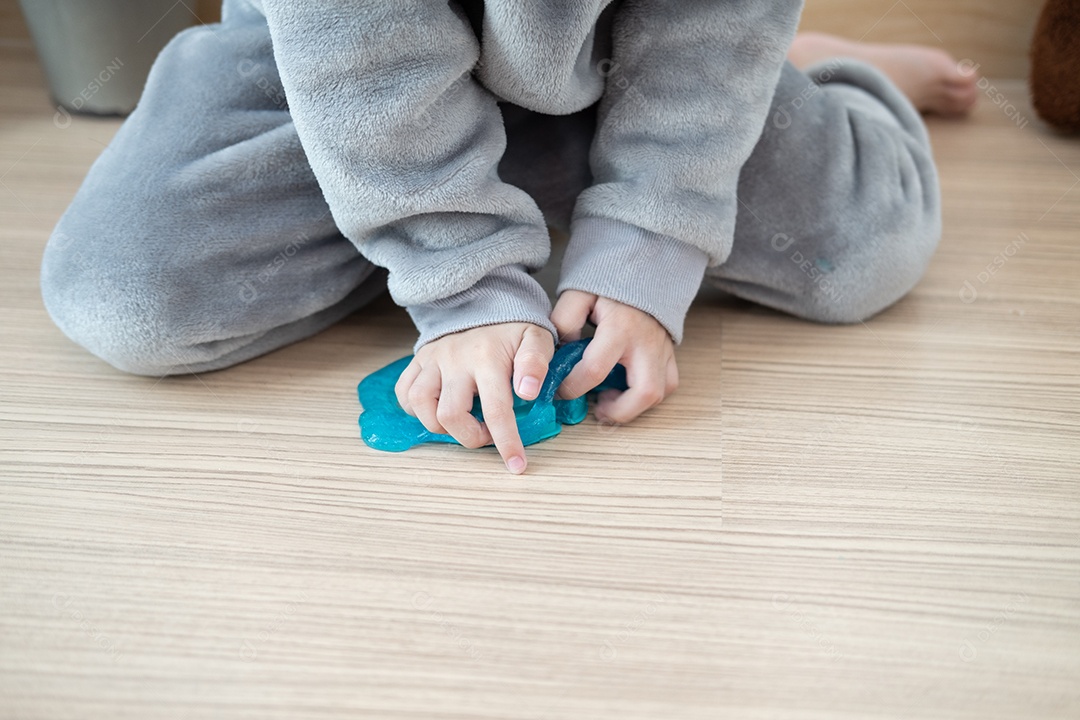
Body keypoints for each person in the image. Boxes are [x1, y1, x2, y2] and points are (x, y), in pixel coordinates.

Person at [39, 1, 978, 474]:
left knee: (865, 251)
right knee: (125, 294)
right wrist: (461, 272)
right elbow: (355, 38)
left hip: (633, 65)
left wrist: (653, 228)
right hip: (339, 78)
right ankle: (498, 190)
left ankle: (823, 68)